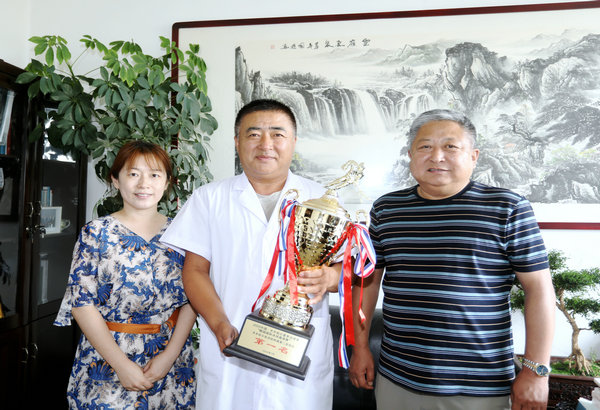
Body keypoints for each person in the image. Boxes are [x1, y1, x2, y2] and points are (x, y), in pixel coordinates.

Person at [348, 109, 556, 410]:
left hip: (478, 386)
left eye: (450, 146)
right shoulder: (387, 209)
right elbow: (366, 281)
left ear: (473, 156)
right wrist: (360, 348)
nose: (437, 156)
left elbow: (539, 289)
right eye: (425, 146)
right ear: (410, 155)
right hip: (396, 377)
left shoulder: (508, 208)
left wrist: (536, 371)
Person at [160, 99, 341, 410]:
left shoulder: (323, 201)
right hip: (229, 349)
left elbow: (349, 271)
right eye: (254, 134)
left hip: (297, 356)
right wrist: (218, 323)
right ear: (237, 142)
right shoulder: (209, 198)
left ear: (294, 142)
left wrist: (330, 277)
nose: (266, 144)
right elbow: (194, 270)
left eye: (278, 134)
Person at [55, 140, 197, 408]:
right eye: (133, 174)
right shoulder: (95, 233)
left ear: (167, 182)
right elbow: (82, 304)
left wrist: (169, 357)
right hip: (106, 358)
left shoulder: (183, 235)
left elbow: (193, 299)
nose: (144, 184)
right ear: (116, 180)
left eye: (154, 175)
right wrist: (121, 365)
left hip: (170, 360)